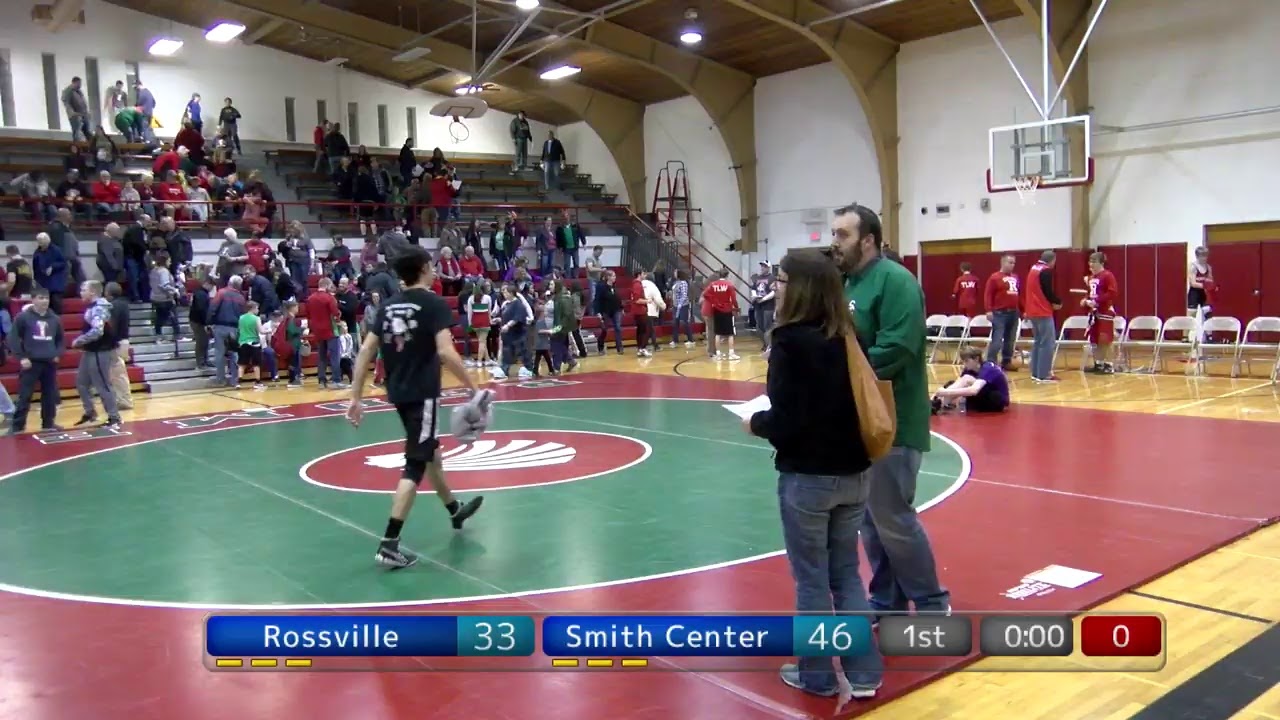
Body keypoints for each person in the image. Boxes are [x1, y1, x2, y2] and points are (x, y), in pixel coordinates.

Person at [746, 248, 883, 699]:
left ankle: (817, 675)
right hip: (854, 473)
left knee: (811, 580)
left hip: (808, 476)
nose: (774, 288)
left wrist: (755, 423)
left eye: (781, 280)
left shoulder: (789, 343)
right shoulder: (849, 335)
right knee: (845, 573)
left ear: (799, 288)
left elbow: (788, 418)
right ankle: (864, 673)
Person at [832, 203, 949, 622]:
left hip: (894, 420)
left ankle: (933, 604)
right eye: (834, 233)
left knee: (893, 519)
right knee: (870, 521)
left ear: (868, 240)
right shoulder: (844, 284)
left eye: (843, 234)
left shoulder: (896, 282)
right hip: (860, 420)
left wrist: (840, 375)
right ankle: (888, 601)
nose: (835, 242)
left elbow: (896, 349)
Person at [346, 247, 485, 569]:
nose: (436, 270)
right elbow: (447, 353)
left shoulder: (390, 305)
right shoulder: (433, 303)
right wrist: (474, 389)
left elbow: (366, 351)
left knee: (430, 452)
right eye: (433, 266)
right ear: (424, 268)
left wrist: (356, 397)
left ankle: (454, 510)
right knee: (416, 464)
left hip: (399, 392)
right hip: (423, 394)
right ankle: (389, 543)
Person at [7, 289, 65, 435]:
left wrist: (57, 353)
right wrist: (22, 357)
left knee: (50, 394)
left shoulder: (55, 319)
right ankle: (17, 426)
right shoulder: (23, 317)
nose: (44, 301)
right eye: (41, 298)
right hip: (31, 362)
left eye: (46, 298)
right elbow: (13, 338)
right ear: (33, 299)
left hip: (49, 362)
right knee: (25, 395)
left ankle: (48, 423)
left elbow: (60, 340)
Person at [70, 280, 122, 429]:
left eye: (83, 290)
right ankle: (90, 412)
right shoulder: (91, 307)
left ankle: (114, 417)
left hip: (100, 351)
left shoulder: (99, 308)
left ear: (92, 292)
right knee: (81, 382)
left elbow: (97, 331)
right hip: (90, 350)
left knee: (102, 384)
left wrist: (80, 340)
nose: (81, 293)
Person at [1023, 250, 1062, 383]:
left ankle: (1035, 373)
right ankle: (1044, 374)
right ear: (1053, 260)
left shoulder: (1033, 268)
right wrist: (1057, 301)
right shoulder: (1045, 271)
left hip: (1032, 311)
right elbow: (1047, 290)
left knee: (1038, 342)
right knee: (1047, 343)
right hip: (1042, 310)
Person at [932, 347, 1010, 414]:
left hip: (996, 401)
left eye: (967, 361)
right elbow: (958, 384)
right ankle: (936, 403)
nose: (964, 364)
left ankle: (937, 403)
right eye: (963, 361)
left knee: (967, 379)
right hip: (981, 399)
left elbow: (973, 390)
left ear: (976, 359)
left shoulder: (988, 368)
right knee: (951, 384)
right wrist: (938, 393)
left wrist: (945, 392)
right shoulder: (968, 369)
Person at [1083, 251, 1119, 374]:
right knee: (1094, 340)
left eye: (1094, 262)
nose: (1091, 264)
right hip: (1094, 313)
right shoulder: (1091, 278)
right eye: (1090, 261)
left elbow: (1112, 293)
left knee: (1106, 339)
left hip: (1105, 312)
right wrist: (1086, 300)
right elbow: (1091, 293)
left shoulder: (1107, 275)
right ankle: (1098, 363)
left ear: (1101, 263)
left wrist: (1097, 301)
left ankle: (1109, 365)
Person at [983, 254, 1021, 371]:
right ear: (1003, 263)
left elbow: (1019, 295)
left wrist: (1023, 310)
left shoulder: (1015, 277)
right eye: (1010, 262)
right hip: (1000, 313)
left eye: (1014, 263)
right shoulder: (995, 277)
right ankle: (991, 362)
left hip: (1014, 312)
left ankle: (1006, 361)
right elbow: (988, 294)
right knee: (997, 338)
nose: (1012, 265)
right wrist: (988, 310)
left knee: (1010, 339)